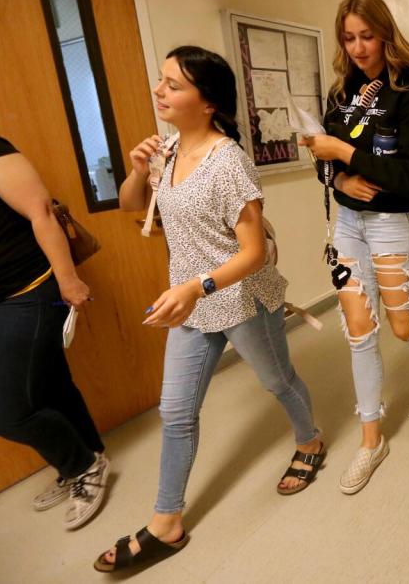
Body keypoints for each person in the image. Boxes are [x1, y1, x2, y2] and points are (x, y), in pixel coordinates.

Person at [95, 46, 324, 572]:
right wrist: (136, 168)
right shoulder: (168, 151)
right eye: (161, 80)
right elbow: (133, 205)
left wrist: (196, 286)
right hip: (191, 305)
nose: (160, 91)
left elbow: (251, 252)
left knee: (277, 381)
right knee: (175, 411)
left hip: (241, 298)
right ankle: (166, 522)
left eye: (173, 84)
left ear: (208, 102)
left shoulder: (230, 162)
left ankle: (310, 441)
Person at [302, 0, 409, 495]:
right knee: (359, 330)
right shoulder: (341, 92)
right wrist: (339, 180)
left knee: (402, 326)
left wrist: (345, 152)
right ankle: (371, 441)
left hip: (394, 223)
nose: (358, 47)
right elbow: (322, 161)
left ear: (385, 33)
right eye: (349, 37)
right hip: (348, 224)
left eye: (367, 36)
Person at [0, 136, 108, 530]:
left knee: (10, 412)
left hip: (31, 287)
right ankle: (90, 453)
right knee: (49, 384)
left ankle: (83, 465)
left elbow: (42, 211)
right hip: (3, 297)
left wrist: (68, 279)